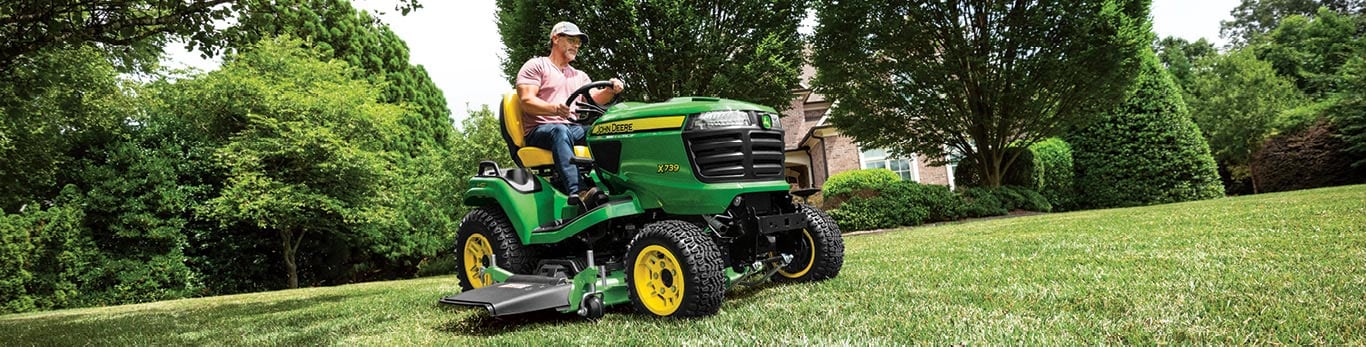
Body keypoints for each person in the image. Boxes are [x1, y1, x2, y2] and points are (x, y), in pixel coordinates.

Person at [516, 21, 624, 208]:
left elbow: (595, 98)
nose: (576, 45)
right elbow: (527, 101)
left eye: (578, 43)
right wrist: (554, 109)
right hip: (539, 130)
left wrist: (611, 90)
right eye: (571, 40)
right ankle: (578, 191)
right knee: (560, 130)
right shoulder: (536, 66)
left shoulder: (579, 76)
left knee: (605, 131)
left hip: (570, 129)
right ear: (556, 38)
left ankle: (618, 185)